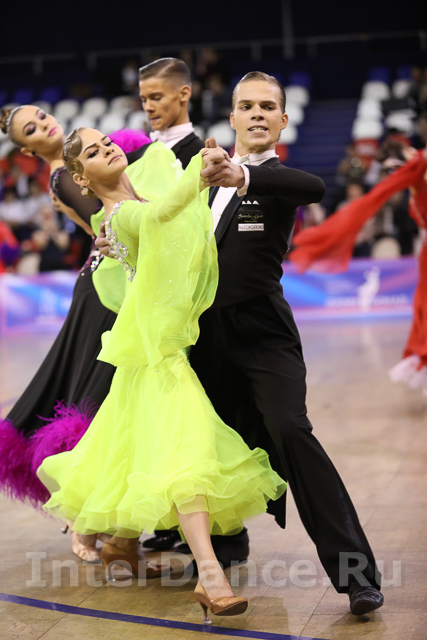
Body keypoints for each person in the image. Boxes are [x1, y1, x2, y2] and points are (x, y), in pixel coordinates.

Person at [37, 127, 286, 621]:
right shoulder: (124, 212)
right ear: (82, 178)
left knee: (135, 448)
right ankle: (211, 577)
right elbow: (160, 215)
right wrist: (199, 173)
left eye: (106, 141)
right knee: (187, 454)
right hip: (158, 356)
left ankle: (121, 544)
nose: (107, 147)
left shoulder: (131, 207)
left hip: (157, 349)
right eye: (93, 152)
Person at [189, 71, 384, 616]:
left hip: (262, 335)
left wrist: (243, 175)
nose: (257, 113)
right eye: (246, 105)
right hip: (202, 337)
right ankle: (222, 546)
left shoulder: (276, 180)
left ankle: (356, 574)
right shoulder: (200, 179)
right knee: (206, 446)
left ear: (282, 119)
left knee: (291, 431)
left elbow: (313, 188)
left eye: (267, 106)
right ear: (231, 116)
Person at [0, 105, 151, 562]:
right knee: (95, 400)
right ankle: (84, 516)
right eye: (31, 129)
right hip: (106, 289)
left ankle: (95, 515)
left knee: (101, 397)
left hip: (112, 281)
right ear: (27, 149)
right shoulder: (68, 175)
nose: (44, 123)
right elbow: (112, 220)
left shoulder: (80, 163)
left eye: (42, 116)